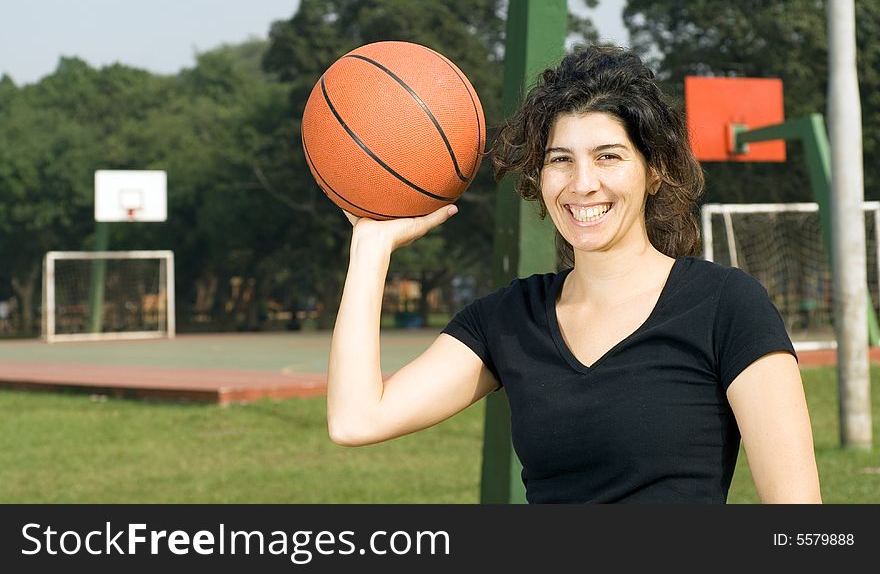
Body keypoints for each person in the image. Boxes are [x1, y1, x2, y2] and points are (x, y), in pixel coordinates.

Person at [327, 44, 822, 504]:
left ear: (654, 171)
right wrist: (371, 247)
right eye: (560, 160)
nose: (583, 184)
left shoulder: (725, 305)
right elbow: (356, 419)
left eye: (608, 156)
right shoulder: (509, 319)